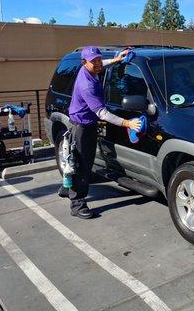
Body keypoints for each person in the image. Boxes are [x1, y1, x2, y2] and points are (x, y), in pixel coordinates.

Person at [58, 46, 141, 219]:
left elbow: (102, 64)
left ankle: (67, 188)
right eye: (93, 61)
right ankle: (77, 204)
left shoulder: (87, 69)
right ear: (84, 62)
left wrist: (116, 60)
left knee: (72, 160)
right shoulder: (87, 85)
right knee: (82, 165)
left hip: (83, 124)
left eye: (98, 59)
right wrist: (128, 123)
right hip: (82, 128)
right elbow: (102, 114)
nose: (97, 63)